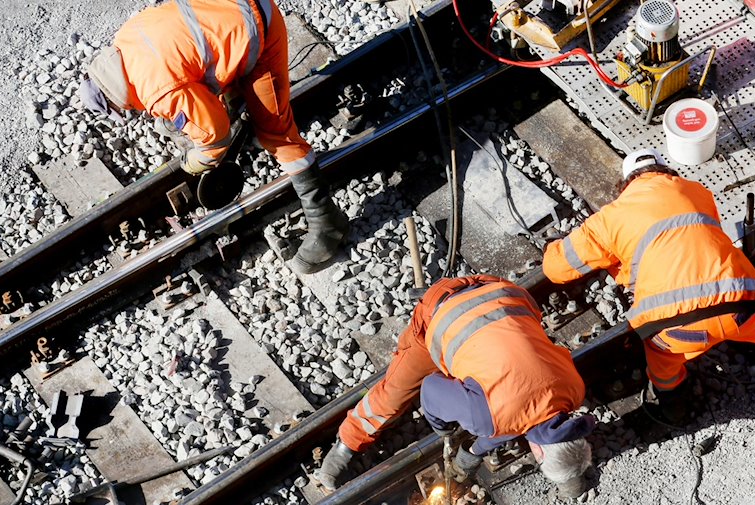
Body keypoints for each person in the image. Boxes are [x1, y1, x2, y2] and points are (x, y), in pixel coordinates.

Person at [542, 148, 755, 437]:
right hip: (740, 305)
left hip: (671, 326)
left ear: (625, 186)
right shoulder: (697, 191)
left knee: (663, 359)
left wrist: (564, 247)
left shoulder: (609, 218)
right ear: (667, 172)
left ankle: (675, 408)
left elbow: (556, 270)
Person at [78, 0, 347, 273]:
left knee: (277, 135)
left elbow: (216, 137)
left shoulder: (157, 90)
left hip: (259, 30)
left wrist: (195, 162)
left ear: (115, 101)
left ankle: (327, 221)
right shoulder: (127, 38)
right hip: (228, 12)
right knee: (211, 81)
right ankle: (242, 102)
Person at [316, 275, 595, 497]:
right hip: (441, 310)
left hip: (503, 293)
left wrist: (476, 450)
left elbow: (517, 416)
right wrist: (442, 426)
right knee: (395, 392)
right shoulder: (487, 419)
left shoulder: (575, 389)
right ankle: (348, 440)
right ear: (540, 451)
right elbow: (429, 389)